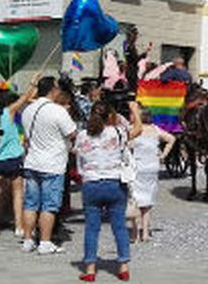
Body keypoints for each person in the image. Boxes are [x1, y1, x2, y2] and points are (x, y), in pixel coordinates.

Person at [73, 99, 142, 281]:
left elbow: (77, 156)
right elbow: (137, 130)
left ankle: (89, 269)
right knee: (119, 226)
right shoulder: (117, 132)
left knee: (91, 228)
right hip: (114, 183)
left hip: (91, 184)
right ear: (110, 115)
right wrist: (135, 111)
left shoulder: (82, 135)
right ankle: (123, 266)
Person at [20, 77, 77, 255]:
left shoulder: (28, 109)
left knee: (30, 204)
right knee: (49, 205)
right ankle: (45, 241)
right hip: (52, 164)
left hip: (32, 161)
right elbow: (72, 132)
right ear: (53, 89)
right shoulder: (57, 111)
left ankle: (28, 239)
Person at [0, 84, 34, 237]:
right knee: (18, 194)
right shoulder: (9, 112)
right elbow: (25, 98)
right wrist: (32, 83)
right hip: (13, 158)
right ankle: (19, 227)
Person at [128, 110, 175, 243]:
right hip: (152, 167)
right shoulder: (155, 129)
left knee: (135, 199)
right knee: (148, 201)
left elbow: (126, 144)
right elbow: (171, 139)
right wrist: (163, 155)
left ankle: (135, 233)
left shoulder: (133, 129)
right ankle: (146, 233)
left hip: (137, 167)